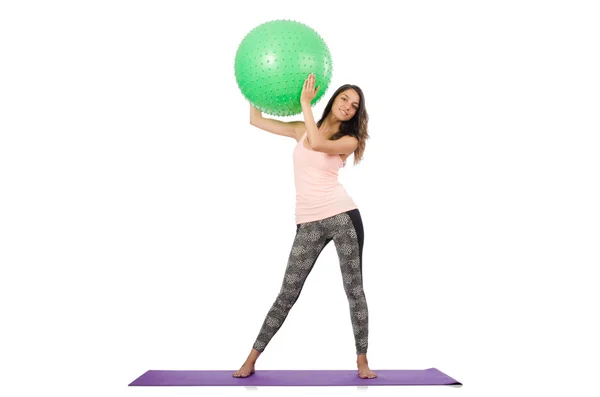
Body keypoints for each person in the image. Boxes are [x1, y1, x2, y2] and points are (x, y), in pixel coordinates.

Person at [233, 73, 376, 379]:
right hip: (307, 221)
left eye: (354, 106)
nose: (348, 107)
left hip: (342, 217)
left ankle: (362, 361)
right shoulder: (301, 128)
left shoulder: (350, 140)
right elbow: (256, 120)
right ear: (334, 99)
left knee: (354, 290)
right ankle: (251, 359)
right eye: (344, 99)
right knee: (287, 293)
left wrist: (305, 104)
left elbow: (320, 142)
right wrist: (253, 83)